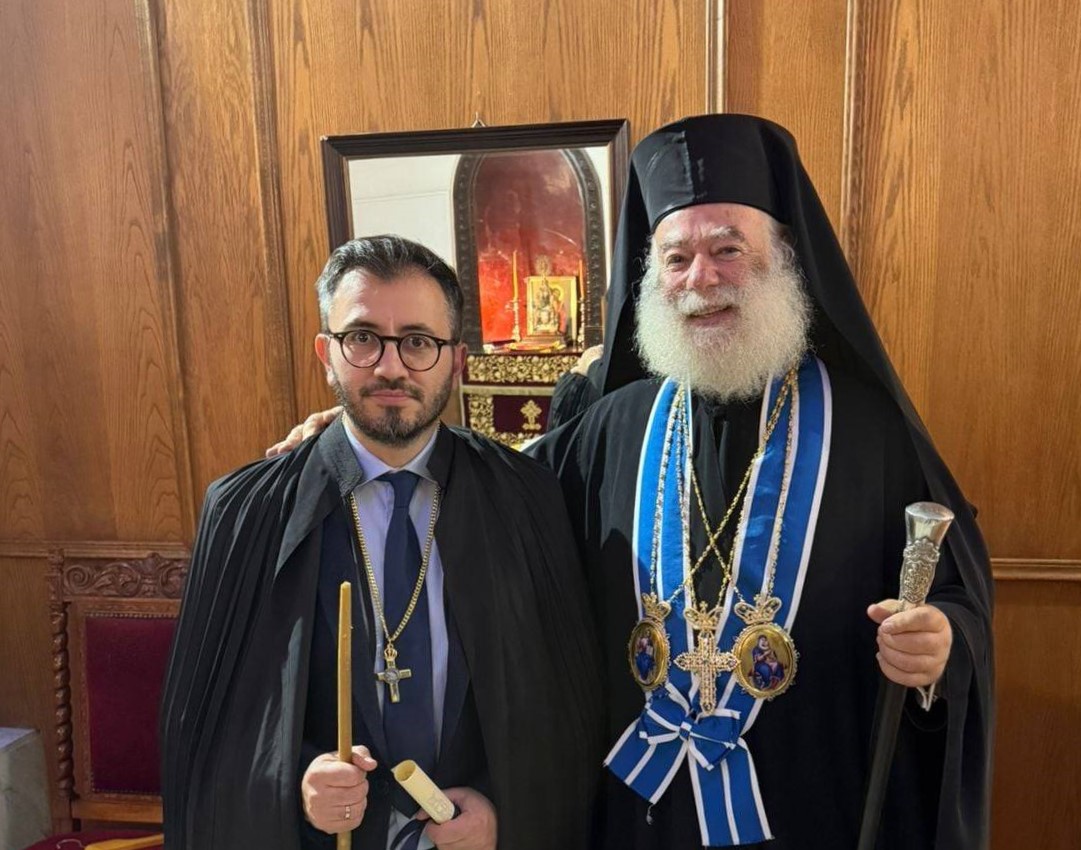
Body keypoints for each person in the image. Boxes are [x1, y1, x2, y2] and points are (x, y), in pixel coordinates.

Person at [272, 114, 994, 849]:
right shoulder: (612, 427)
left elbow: (953, 594)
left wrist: (942, 644)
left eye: (727, 251)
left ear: (783, 259)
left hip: (807, 806)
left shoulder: (870, 433)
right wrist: (352, 435)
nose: (700, 280)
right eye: (676, 258)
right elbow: (483, 484)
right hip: (636, 815)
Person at [160, 235, 603, 850]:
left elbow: (568, 709)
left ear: (457, 360)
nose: (391, 367)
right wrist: (295, 785)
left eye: (418, 341)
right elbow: (207, 733)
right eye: (363, 338)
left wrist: (507, 815)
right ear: (326, 352)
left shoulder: (527, 497)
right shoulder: (245, 512)